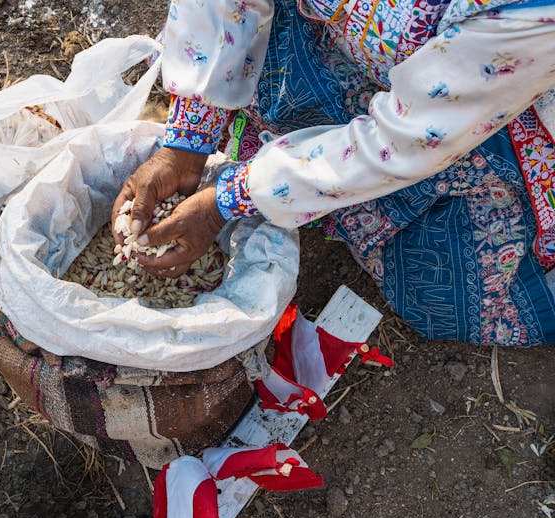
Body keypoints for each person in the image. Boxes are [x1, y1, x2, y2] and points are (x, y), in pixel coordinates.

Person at [112, 0, 555, 346]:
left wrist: (222, 203)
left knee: (447, 297)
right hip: (336, 37)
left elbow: (405, 138)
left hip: (480, 109)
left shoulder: (528, 16)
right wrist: (186, 141)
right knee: (256, 79)